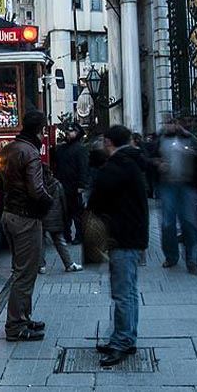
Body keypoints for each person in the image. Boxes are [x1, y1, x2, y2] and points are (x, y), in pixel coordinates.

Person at [87, 125, 148, 367]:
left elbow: (96, 200)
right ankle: (125, 337)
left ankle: (121, 342)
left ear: (108, 141)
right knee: (129, 291)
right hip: (132, 234)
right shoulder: (131, 161)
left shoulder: (117, 166)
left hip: (122, 236)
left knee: (122, 292)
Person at [0, 110, 52, 341]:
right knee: (25, 273)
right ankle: (16, 325)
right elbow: (36, 190)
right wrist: (50, 202)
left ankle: (24, 317)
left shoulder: (9, 148)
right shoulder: (31, 152)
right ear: (39, 130)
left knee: (22, 270)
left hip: (8, 214)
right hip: (26, 218)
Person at [154, 118, 197, 275]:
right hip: (167, 185)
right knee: (168, 224)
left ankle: (193, 260)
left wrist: (193, 152)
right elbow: (148, 156)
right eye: (168, 123)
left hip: (187, 185)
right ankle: (171, 256)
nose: (170, 126)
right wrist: (157, 164)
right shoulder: (160, 139)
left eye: (173, 123)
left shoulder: (190, 138)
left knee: (190, 222)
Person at [39, 165, 83, 274]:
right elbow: (63, 203)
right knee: (59, 241)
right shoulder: (57, 185)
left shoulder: (38, 186)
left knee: (41, 242)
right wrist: (65, 218)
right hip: (56, 219)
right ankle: (69, 264)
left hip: (41, 218)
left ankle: (41, 266)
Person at [54, 122, 90, 245]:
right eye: (67, 132)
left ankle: (79, 236)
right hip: (63, 185)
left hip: (74, 187)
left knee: (77, 214)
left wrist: (81, 185)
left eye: (71, 132)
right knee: (65, 214)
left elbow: (83, 168)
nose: (68, 134)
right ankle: (66, 235)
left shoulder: (81, 149)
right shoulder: (62, 149)